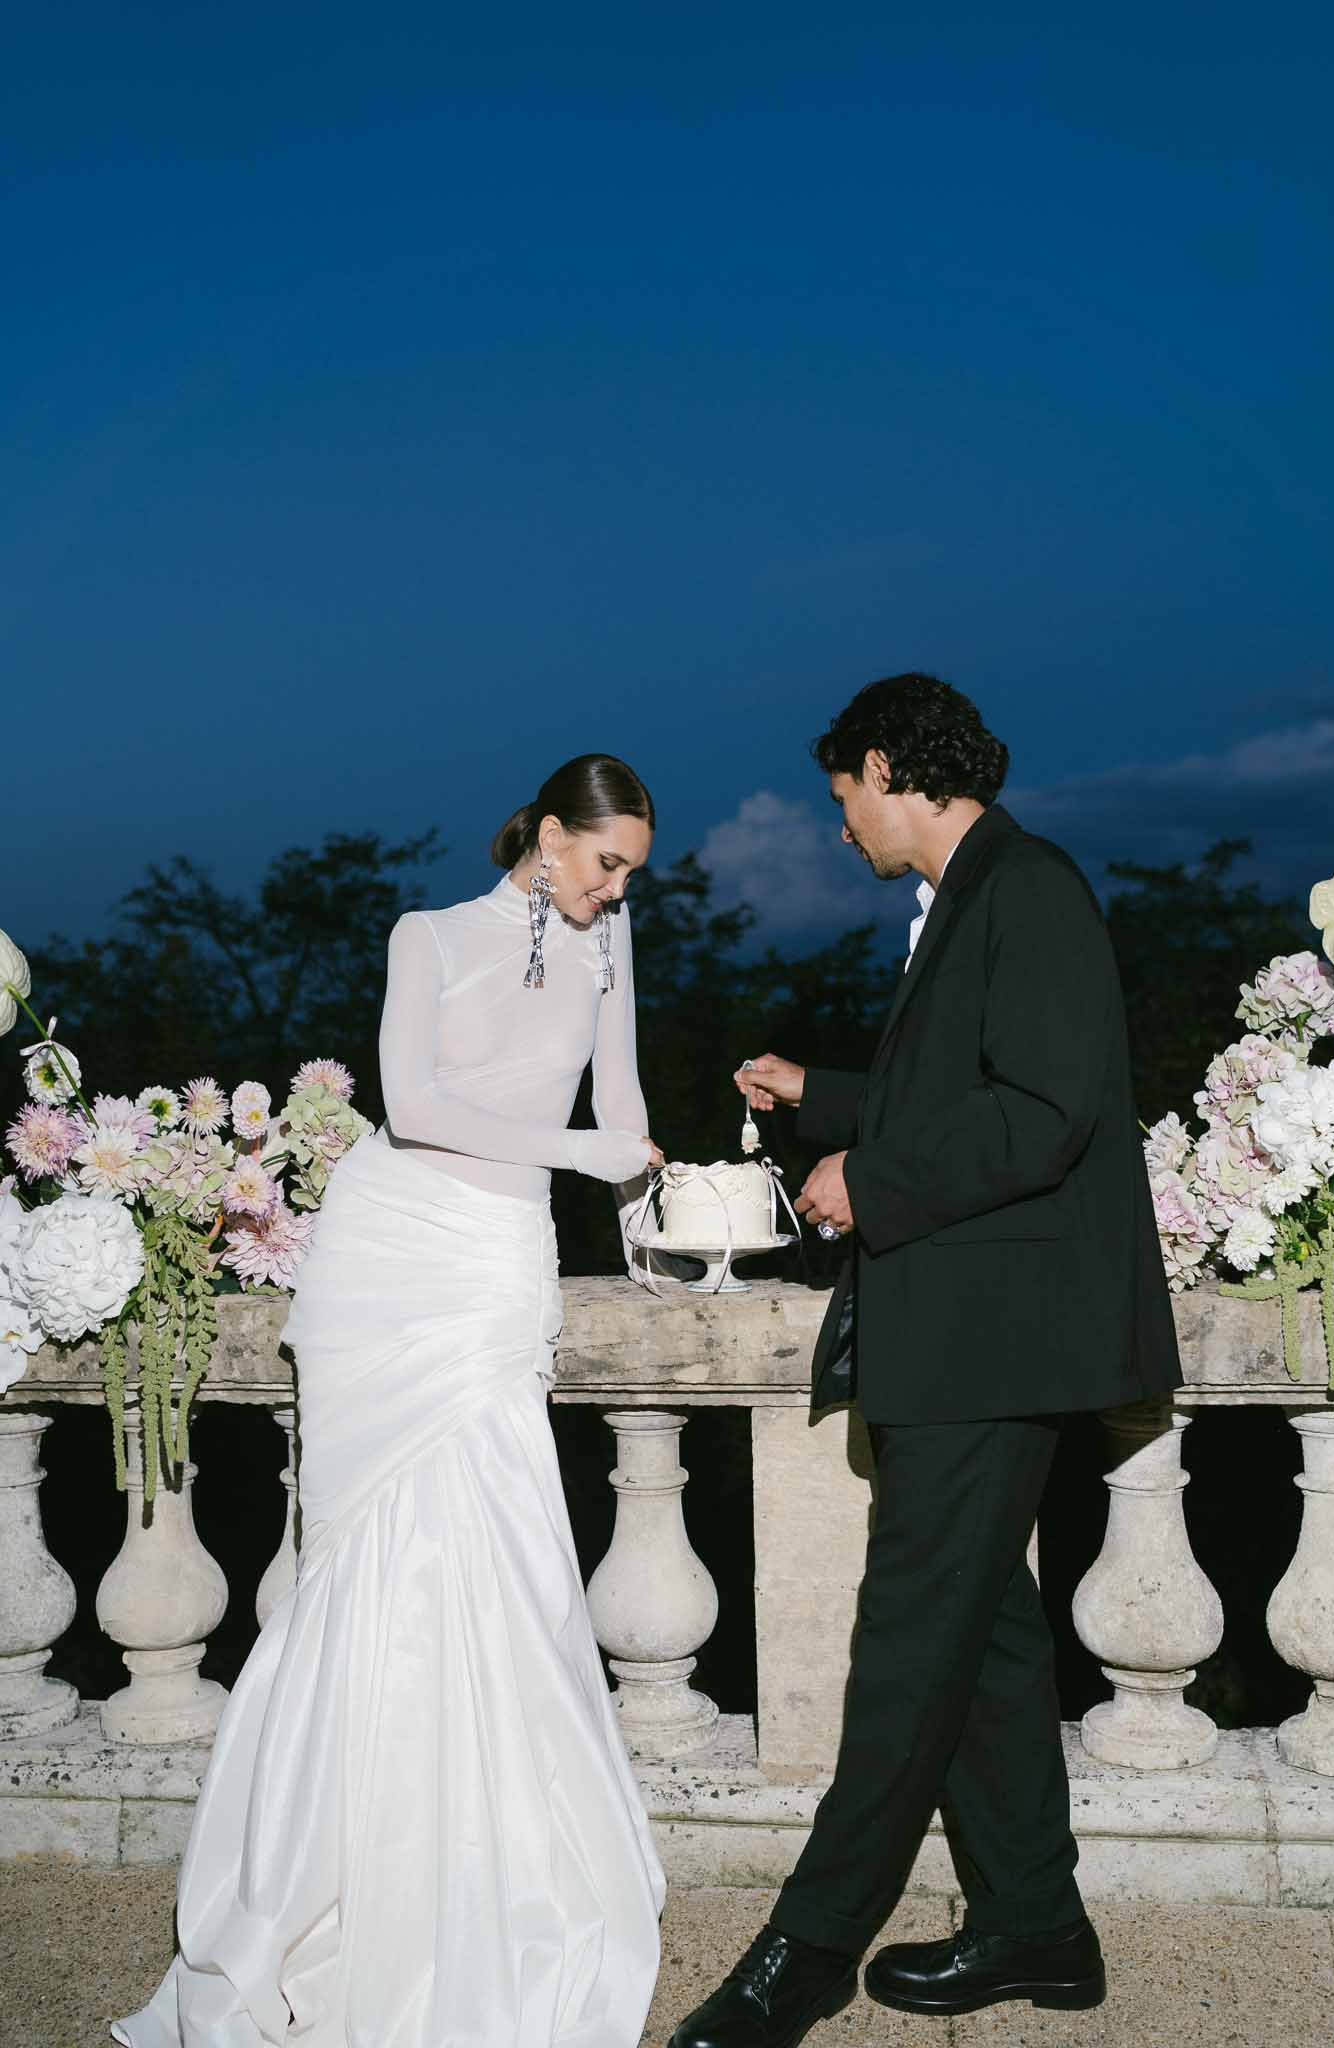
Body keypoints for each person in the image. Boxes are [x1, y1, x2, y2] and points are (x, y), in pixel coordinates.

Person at [114, 753, 667, 2048]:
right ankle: (330, 1875)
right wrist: (588, 1153)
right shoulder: (425, 935)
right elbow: (412, 1106)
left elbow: (624, 1099)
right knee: (368, 1565)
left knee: (507, 1553)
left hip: (495, 1267)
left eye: (632, 867)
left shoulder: (612, 940)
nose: (616, 885)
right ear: (544, 836)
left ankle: (491, 1872)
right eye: (603, 861)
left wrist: (650, 1229)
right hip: (391, 1249)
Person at [669, 674, 1181, 2048]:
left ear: (887, 767)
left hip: (992, 1344)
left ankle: (808, 1948)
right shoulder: (975, 895)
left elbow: (1047, 1110)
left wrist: (863, 1179)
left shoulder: (1028, 887)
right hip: (967, 1338)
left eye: (841, 795)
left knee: (904, 1648)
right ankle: (1036, 1929)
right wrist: (818, 1097)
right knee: (985, 1641)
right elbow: (961, 1085)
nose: (837, 824)